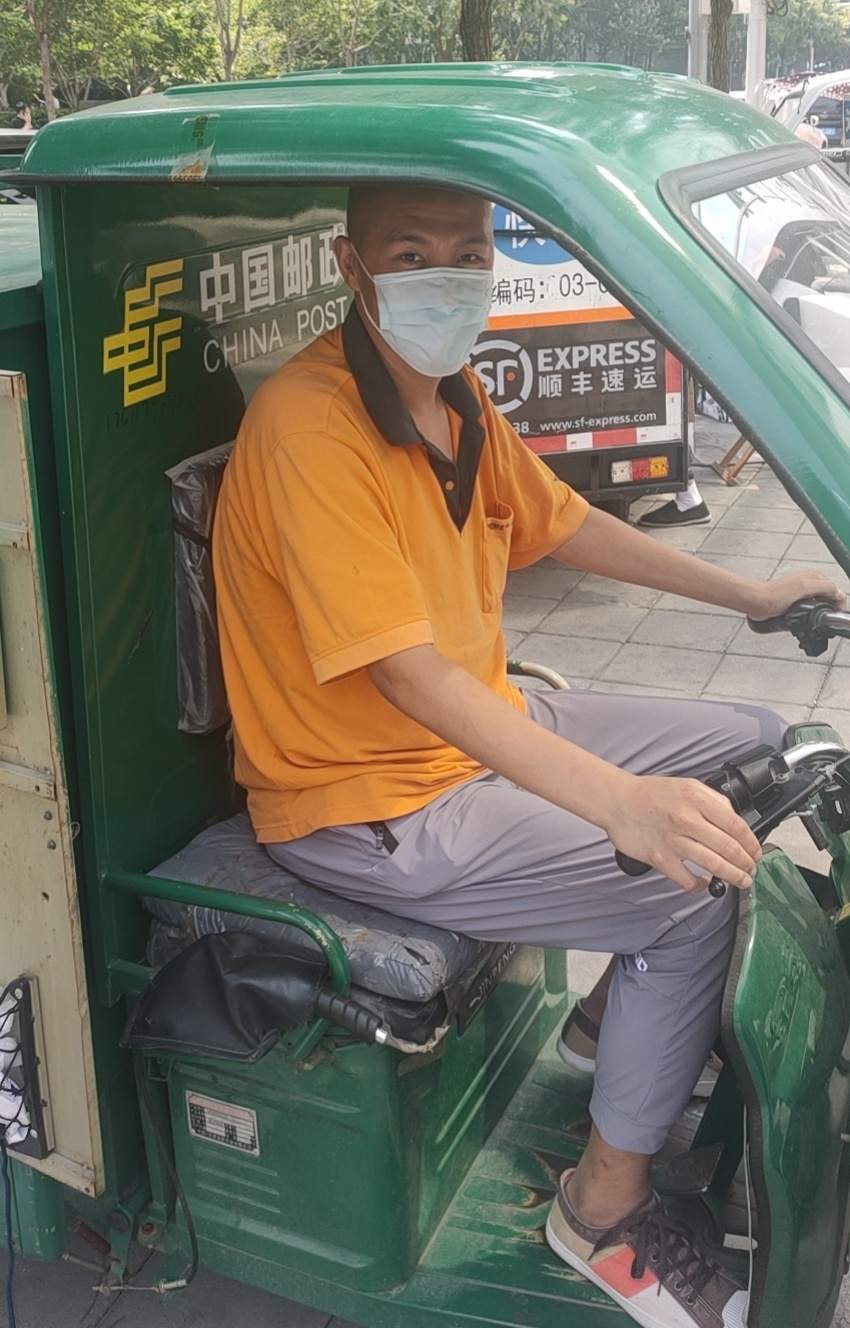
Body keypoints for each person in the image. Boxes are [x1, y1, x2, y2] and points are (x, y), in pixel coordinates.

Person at [212, 185, 844, 1328]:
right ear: (353, 267)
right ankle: (599, 1207)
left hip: (477, 726)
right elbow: (409, 676)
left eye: (468, 254)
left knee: (766, 741)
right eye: (412, 253)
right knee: (686, 885)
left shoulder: (450, 394)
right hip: (367, 797)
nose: (446, 277)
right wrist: (621, 805)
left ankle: (610, 1028)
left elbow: (567, 522)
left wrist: (749, 595)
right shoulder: (311, 425)